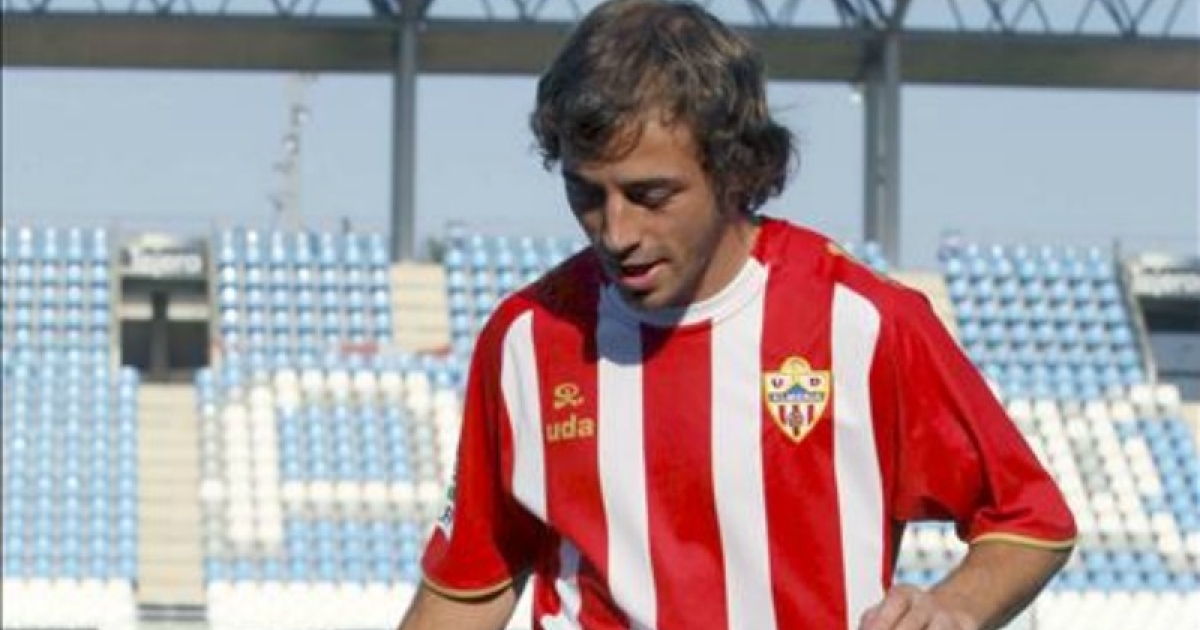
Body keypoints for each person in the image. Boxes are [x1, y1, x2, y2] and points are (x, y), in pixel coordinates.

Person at [397, 1, 1076, 628]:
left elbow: (1029, 519)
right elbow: (467, 587)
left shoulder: (862, 323)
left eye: (650, 195)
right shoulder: (528, 338)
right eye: (587, 194)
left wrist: (952, 607)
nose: (616, 231)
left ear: (734, 170)